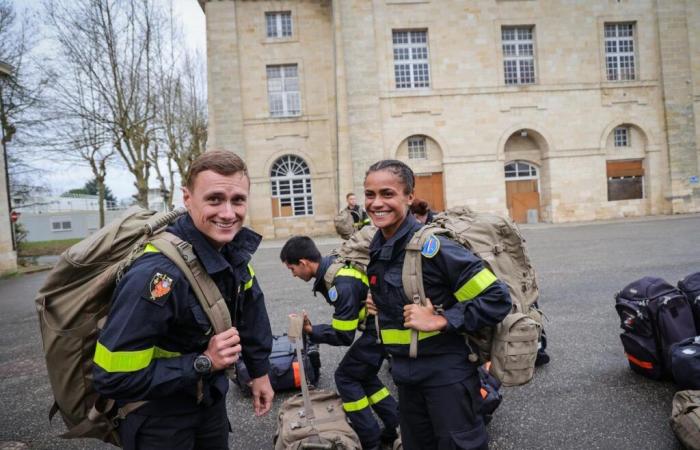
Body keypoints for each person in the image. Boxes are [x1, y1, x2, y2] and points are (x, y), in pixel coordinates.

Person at [93, 151, 274, 450]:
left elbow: (252, 315)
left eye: (238, 200)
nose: (228, 213)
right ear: (187, 198)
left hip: (209, 405)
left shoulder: (233, 252)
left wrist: (260, 373)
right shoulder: (157, 275)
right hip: (158, 420)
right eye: (214, 199)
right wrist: (204, 362)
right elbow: (112, 376)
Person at [363, 160, 512, 450]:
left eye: (387, 193)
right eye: (370, 194)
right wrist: (382, 305)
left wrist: (441, 320)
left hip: (446, 378)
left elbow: (497, 297)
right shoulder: (380, 245)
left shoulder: (435, 247)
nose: (377, 203)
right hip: (405, 376)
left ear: (408, 197)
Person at [280, 236, 399, 450]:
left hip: (385, 330)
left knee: (345, 376)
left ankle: (371, 441)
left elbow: (344, 335)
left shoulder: (341, 283)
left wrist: (311, 330)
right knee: (364, 374)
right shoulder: (333, 269)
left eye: (292, 269)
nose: (293, 275)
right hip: (383, 326)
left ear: (304, 263)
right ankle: (396, 425)